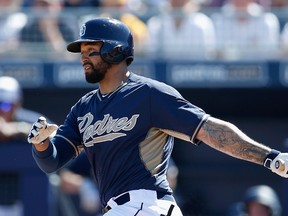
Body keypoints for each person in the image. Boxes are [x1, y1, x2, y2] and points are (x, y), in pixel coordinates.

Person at [27, 17, 288, 216]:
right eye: (82, 51)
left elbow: (210, 130)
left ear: (115, 52)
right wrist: (41, 145)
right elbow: (52, 162)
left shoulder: (148, 94)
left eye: (92, 50)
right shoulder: (83, 108)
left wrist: (269, 157)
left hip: (146, 204)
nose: (84, 57)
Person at [0, 76, 47, 216]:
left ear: (17, 104)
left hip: (22, 203)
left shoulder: (28, 120)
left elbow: (56, 138)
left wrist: (19, 129)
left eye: (5, 105)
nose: (1, 110)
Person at [145, 0, 216, 60]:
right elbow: (151, 54)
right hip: (162, 73)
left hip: (196, 72)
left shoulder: (203, 23)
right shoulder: (155, 23)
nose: (178, 1)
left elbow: (207, 55)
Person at [210, 0, 281, 60]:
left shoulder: (267, 21)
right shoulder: (218, 20)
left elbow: (270, 54)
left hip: (258, 70)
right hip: (226, 72)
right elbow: (216, 53)